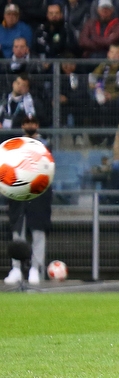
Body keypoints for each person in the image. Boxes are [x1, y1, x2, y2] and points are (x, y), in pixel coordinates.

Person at [4, 114, 51, 287]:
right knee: (18, 230)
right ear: (22, 126)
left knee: (38, 231)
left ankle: (35, 268)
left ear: (37, 125)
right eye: (27, 123)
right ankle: (16, 268)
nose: (30, 126)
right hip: (18, 191)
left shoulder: (46, 144)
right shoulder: (14, 145)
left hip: (39, 193)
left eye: (32, 122)